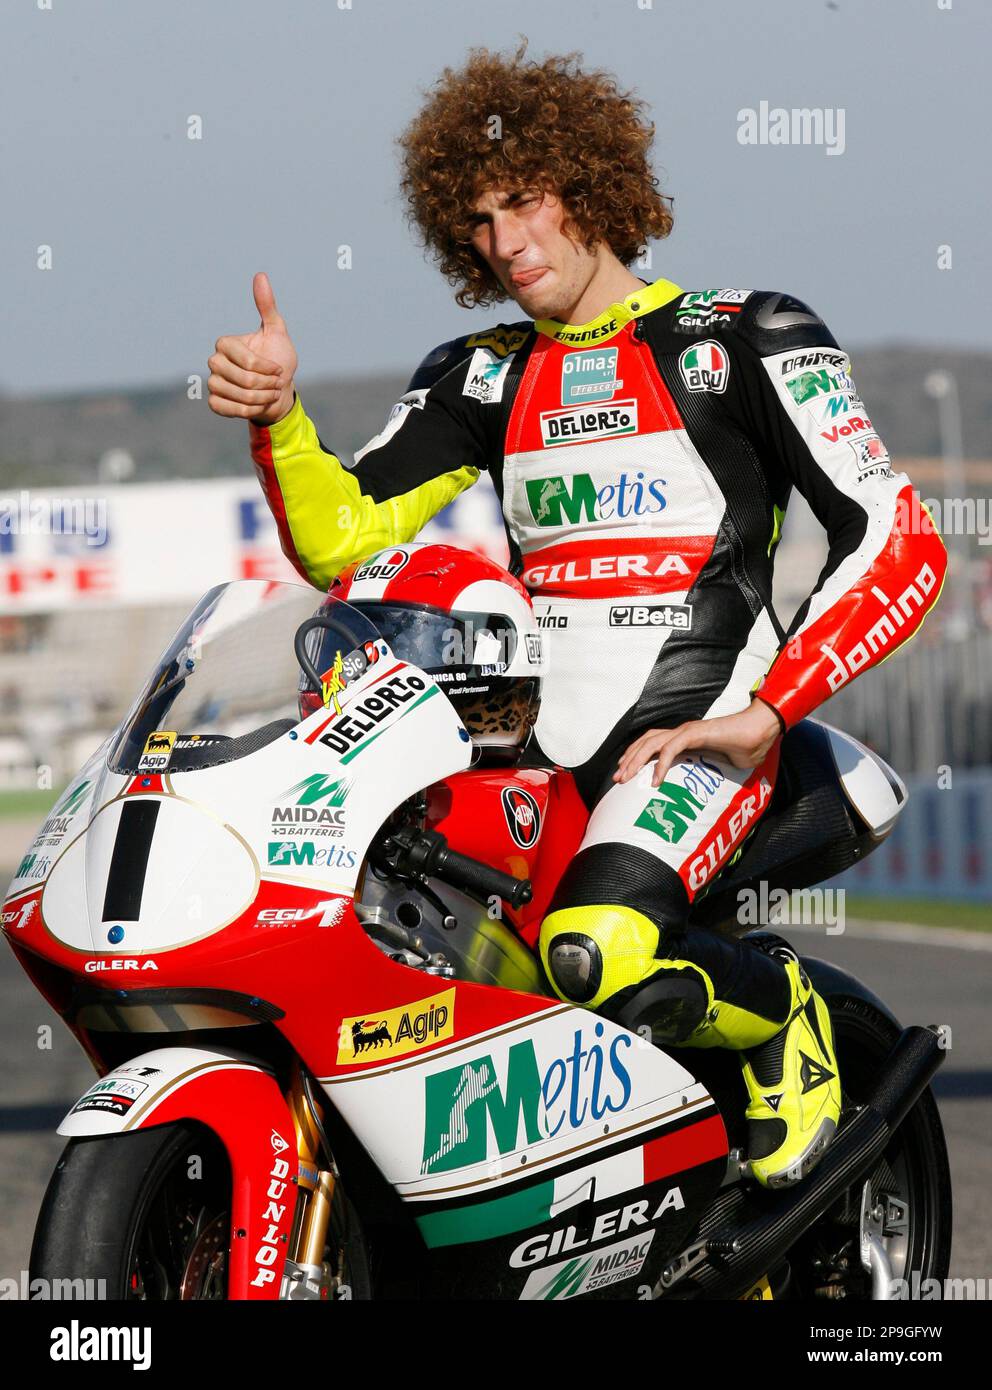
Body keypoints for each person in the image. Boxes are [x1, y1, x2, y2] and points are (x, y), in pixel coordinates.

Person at [207, 45, 947, 1188]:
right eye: (476, 223)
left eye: (522, 202)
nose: (504, 242)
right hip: (536, 763)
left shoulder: (741, 334)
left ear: (592, 185)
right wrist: (279, 420)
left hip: (699, 741)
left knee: (593, 952)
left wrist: (764, 712)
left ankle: (785, 1017)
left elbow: (897, 538)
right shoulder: (480, 375)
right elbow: (342, 535)